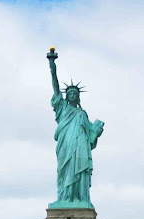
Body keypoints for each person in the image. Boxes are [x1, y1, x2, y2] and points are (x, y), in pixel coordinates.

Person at [48, 49, 104, 208]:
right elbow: (55, 88)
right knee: (65, 171)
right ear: (66, 96)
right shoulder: (62, 109)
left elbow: (91, 134)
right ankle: (65, 198)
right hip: (66, 146)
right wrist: (52, 67)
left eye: (75, 93)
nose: (72, 95)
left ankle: (79, 198)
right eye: (70, 93)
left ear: (78, 97)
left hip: (80, 149)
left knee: (79, 170)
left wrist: (97, 131)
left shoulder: (82, 114)